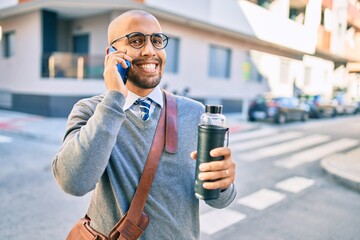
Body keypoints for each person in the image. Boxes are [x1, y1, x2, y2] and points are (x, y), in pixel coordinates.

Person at [52, 9, 236, 239]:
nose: (150, 51)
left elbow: (220, 200)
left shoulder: (195, 113)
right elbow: (74, 182)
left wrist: (223, 182)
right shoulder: (91, 111)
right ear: (112, 54)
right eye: (137, 40)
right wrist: (114, 98)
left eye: (157, 41)